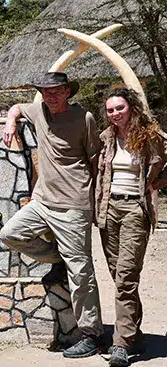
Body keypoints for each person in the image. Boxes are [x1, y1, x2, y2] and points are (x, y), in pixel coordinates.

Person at [0, 72, 104, 358]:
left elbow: (95, 160)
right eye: (46, 91)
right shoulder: (38, 110)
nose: (51, 96)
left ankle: (93, 334)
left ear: (68, 92)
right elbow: (17, 108)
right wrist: (10, 121)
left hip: (73, 204)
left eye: (57, 91)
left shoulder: (85, 118)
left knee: (81, 272)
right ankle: (56, 258)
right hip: (42, 201)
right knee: (10, 234)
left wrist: (92, 201)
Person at [95, 88, 167, 366]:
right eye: (110, 110)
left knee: (125, 278)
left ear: (131, 107)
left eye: (119, 108)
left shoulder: (151, 137)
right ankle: (134, 333)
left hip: (135, 210)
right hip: (107, 210)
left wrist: (157, 183)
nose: (115, 114)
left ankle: (121, 344)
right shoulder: (105, 139)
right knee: (120, 277)